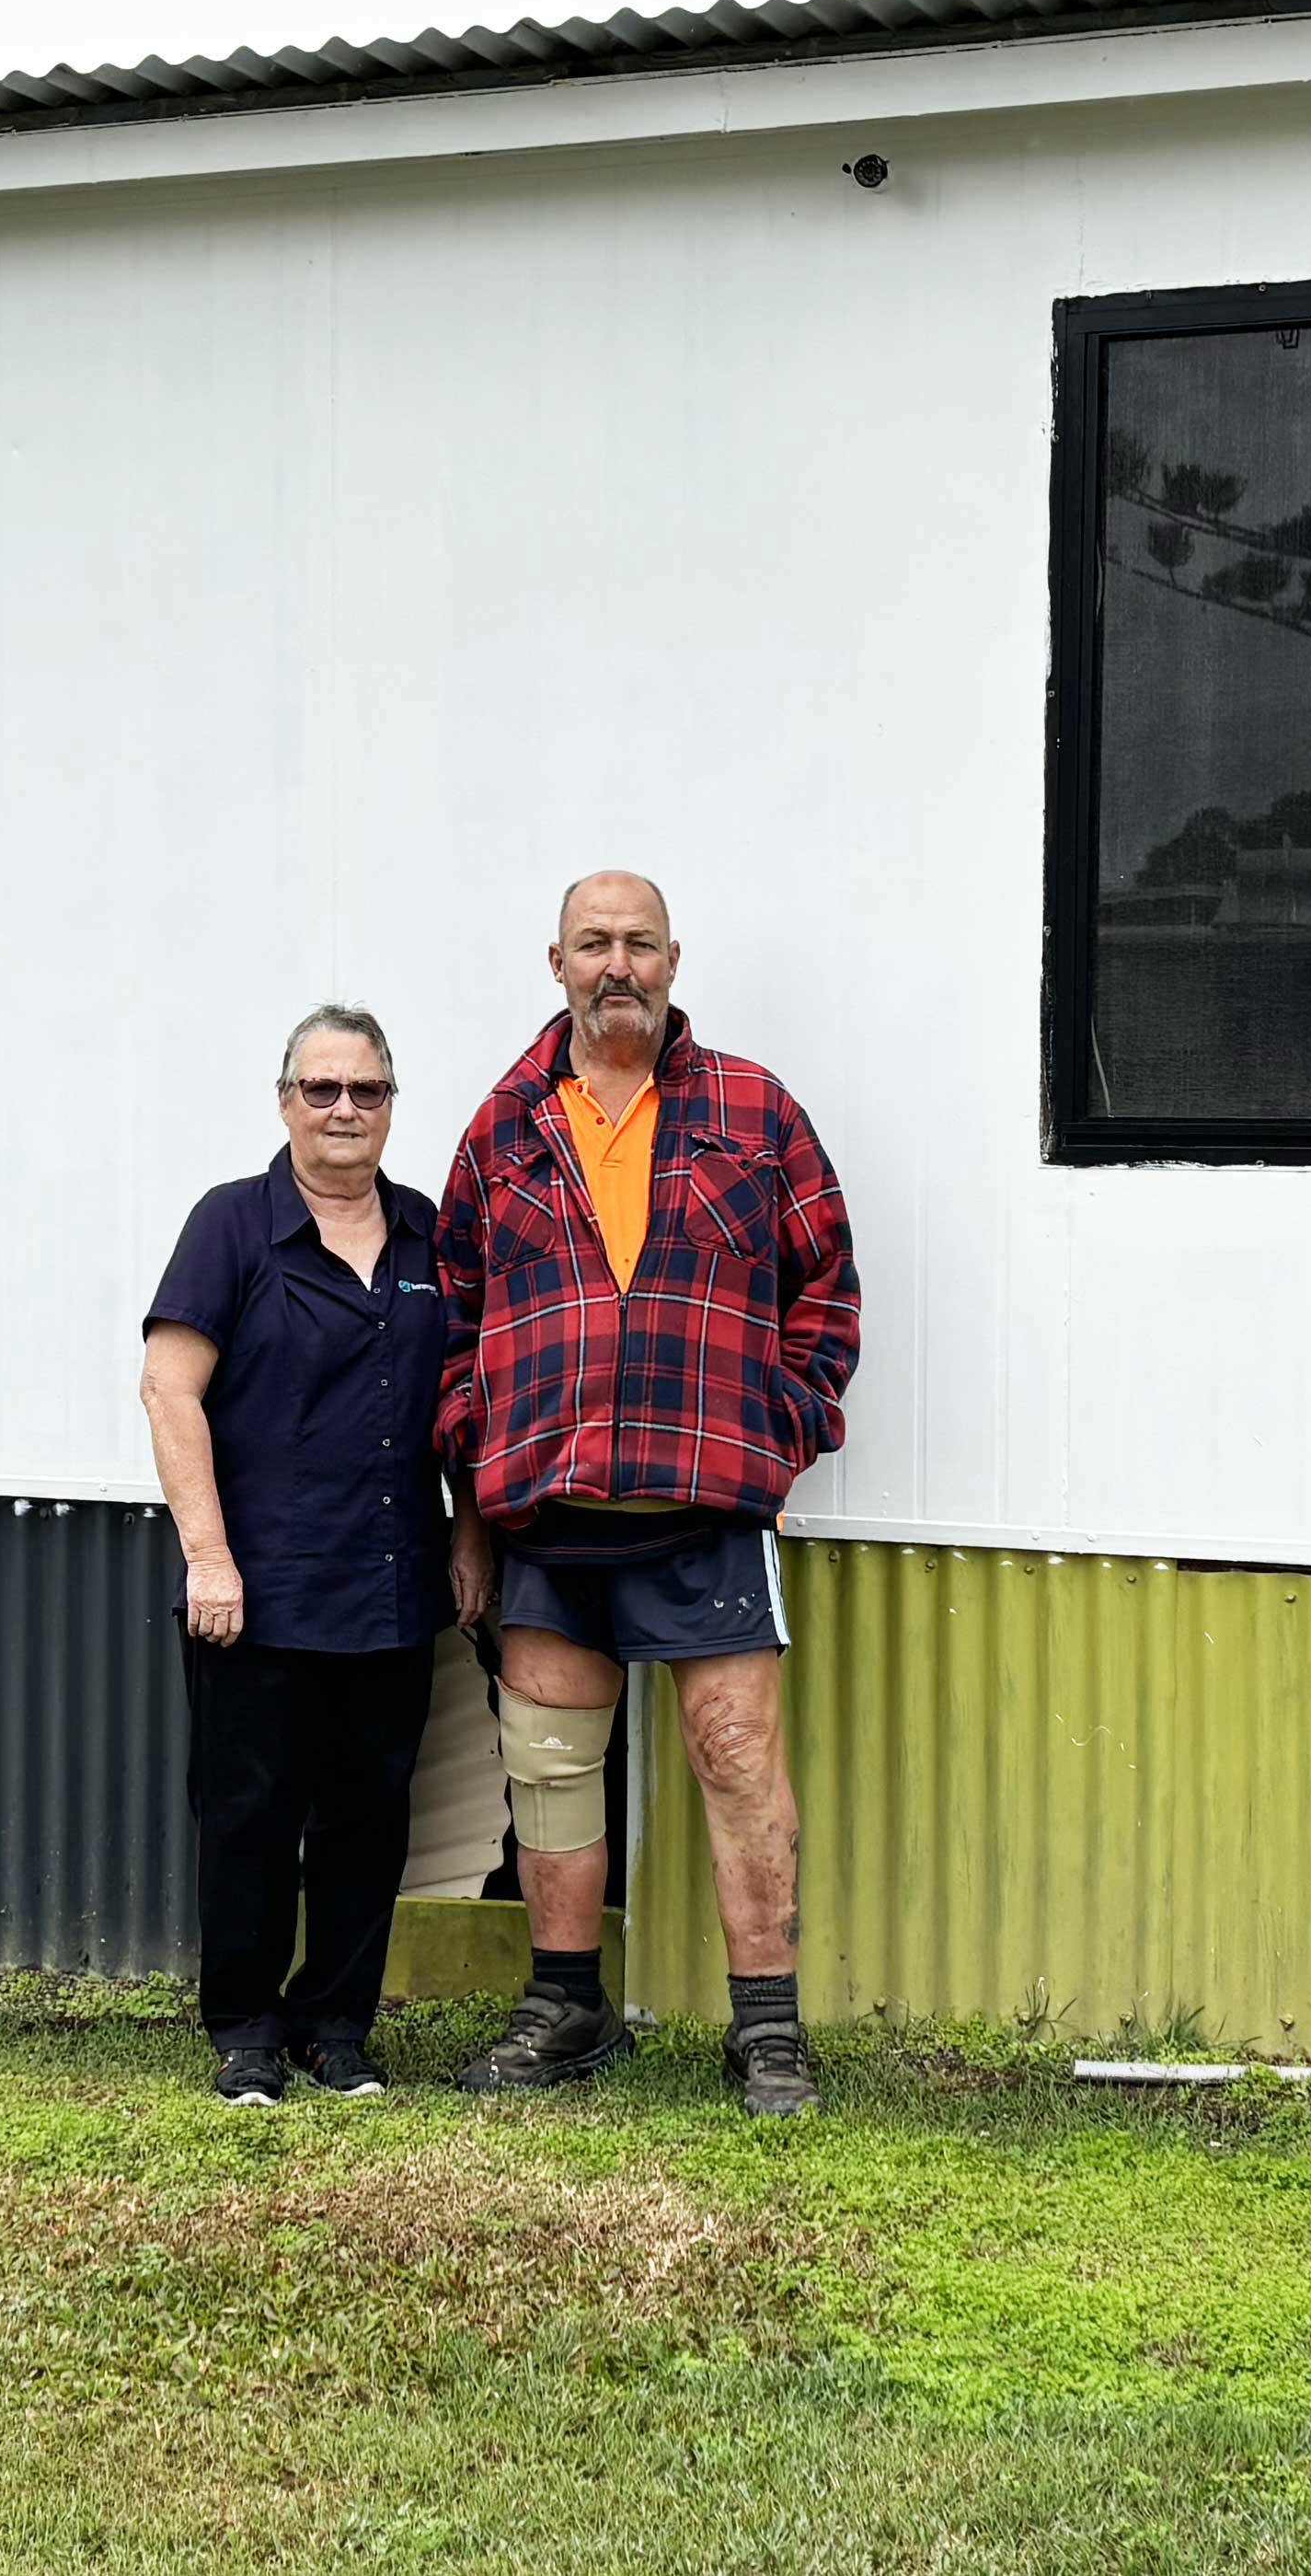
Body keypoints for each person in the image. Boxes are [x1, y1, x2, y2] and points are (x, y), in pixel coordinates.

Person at [432, 872, 859, 2117]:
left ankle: (767, 2031)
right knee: (550, 1763)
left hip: (705, 1507)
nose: (616, 964)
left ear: (674, 960)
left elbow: (826, 1292)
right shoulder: (503, 1129)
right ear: (557, 963)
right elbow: (453, 1320)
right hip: (549, 1508)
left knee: (737, 1758)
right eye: (593, 944)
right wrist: (481, 1459)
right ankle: (568, 2008)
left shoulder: (755, 1111)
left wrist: (780, 1429)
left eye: (638, 943)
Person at [138, 1005, 456, 2108]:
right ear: (285, 1103)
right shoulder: (231, 1225)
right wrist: (209, 1558)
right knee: (250, 1821)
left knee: (370, 1822)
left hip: (392, 1585)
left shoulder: (426, 1235)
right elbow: (168, 1391)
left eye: (366, 1090)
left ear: (390, 1106)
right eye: (322, 1089)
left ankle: (338, 2028)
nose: (343, 1110)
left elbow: (464, 1403)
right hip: (259, 1593)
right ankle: (246, 2032)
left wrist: (469, 1540)